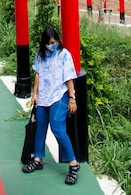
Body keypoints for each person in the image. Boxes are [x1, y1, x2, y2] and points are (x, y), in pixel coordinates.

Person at [22, 26, 80, 185]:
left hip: (59, 96)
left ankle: (73, 164)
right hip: (43, 96)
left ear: (57, 40)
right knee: (40, 127)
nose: (51, 45)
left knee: (57, 128)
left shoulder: (64, 54)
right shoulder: (41, 55)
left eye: (54, 42)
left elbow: (69, 77)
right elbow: (38, 73)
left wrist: (72, 98)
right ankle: (38, 158)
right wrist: (34, 93)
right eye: (48, 43)